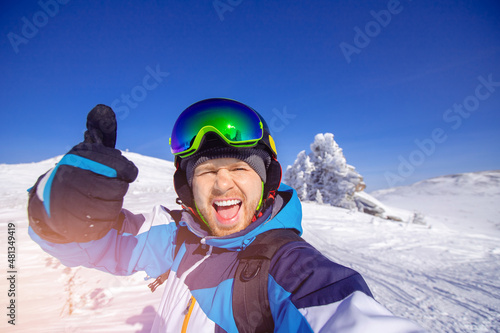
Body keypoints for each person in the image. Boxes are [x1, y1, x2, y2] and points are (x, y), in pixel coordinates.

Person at [28, 98, 426, 332]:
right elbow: (89, 245)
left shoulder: (286, 268)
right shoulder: (175, 237)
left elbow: (342, 312)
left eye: (239, 168)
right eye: (205, 171)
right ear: (187, 186)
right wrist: (61, 213)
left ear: (267, 180)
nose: (222, 185)